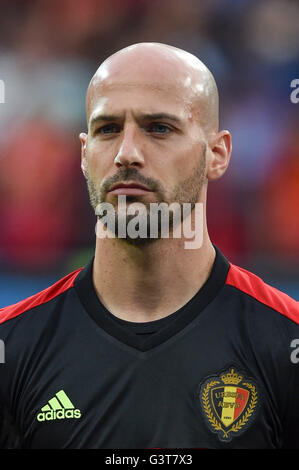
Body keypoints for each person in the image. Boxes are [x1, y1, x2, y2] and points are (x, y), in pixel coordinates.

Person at [0, 43, 298, 450]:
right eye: (107, 129)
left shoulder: (285, 343)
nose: (127, 154)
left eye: (159, 128)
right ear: (85, 155)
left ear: (217, 153)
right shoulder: (12, 347)